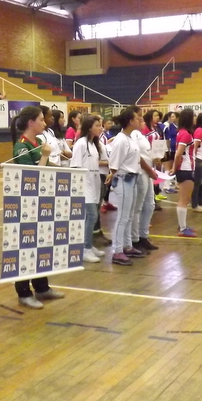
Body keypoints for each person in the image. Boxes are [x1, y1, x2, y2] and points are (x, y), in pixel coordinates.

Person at [10, 106, 64, 308]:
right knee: (26, 248)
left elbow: (48, 168)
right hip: (27, 204)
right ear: (31, 122)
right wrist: (43, 156)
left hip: (43, 202)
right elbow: (32, 179)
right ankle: (23, 292)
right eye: (41, 120)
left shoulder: (39, 142)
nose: (45, 122)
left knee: (42, 245)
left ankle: (42, 287)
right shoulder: (21, 147)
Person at [106, 107, 143, 266]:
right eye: (137, 118)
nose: (140, 120)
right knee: (122, 216)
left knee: (128, 215)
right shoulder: (120, 140)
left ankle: (127, 246)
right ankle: (117, 251)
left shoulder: (129, 138)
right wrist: (112, 174)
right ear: (130, 121)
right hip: (123, 179)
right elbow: (114, 162)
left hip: (132, 178)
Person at [70, 114, 106, 264]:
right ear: (89, 127)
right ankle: (85, 248)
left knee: (93, 216)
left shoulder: (93, 144)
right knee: (91, 215)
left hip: (94, 183)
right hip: (84, 185)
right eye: (97, 125)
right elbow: (76, 166)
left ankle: (89, 245)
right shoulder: (81, 144)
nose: (100, 128)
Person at [131, 109, 159, 254]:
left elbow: (146, 153)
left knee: (150, 204)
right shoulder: (133, 135)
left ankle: (144, 235)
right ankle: (135, 239)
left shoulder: (141, 135)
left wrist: (156, 159)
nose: (141, 121)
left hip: (148, 172)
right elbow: (137, 156)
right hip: (141, 172)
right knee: (138, 206)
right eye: (138, 118)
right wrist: (149, 170)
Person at [172, 108, 197, 237]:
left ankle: (183, 225)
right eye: (193, 116)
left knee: (185, 199)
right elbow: (178, 154)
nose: (195, 118)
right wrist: (174, 168)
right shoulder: (185, 134)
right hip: (185, 168)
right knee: (184, 199)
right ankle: (182, 228)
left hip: (187, 168)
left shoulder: (183, 133)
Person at [191, 112, 202, 212]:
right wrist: (195, 158)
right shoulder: (199, 130)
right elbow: (195, 145)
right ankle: (194, 204)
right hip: (199, 159)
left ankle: (201, 201)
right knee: (197, 182)